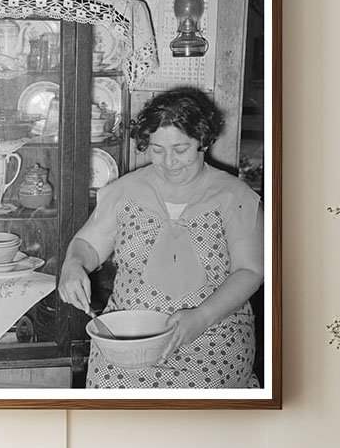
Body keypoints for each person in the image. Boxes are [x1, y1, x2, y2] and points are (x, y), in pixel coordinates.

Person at [58, 87, 264, 389]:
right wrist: (73, 265)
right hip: (128, 339)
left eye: (180, 149)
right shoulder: (125, 191)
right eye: (157, 150)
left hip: (214, 336)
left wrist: (202, 318)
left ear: (203, 141)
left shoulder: (235, 196)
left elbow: (251, 271)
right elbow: (88, 245)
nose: (169, 162)